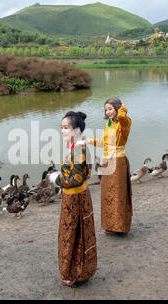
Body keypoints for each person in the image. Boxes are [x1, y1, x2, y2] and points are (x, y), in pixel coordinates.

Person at [49, 111, 97, 286]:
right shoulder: (78, 147)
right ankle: (80, 271)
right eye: (61, 128)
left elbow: (74, 179)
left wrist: (56, 179)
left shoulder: (78, 150)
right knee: (78, 233)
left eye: (66, 128)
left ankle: (75, 273)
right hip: (79, 196)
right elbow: (84, 173)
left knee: (72, 234)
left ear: (76, 130)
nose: (62, 131)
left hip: (75, 198)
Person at [87, 97, 133, 235]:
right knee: (107, 194)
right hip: (107, 161)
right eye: (106, 109)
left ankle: (120, 226)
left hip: (118, 162)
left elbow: (122, 119)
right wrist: (90, 141)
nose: (108, 112)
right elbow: (106, 142)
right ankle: (110, 225)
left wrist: (123, 110)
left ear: (118, 108)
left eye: (111, 109)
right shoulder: (109, 123)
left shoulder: (124, 121)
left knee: (118, 194)